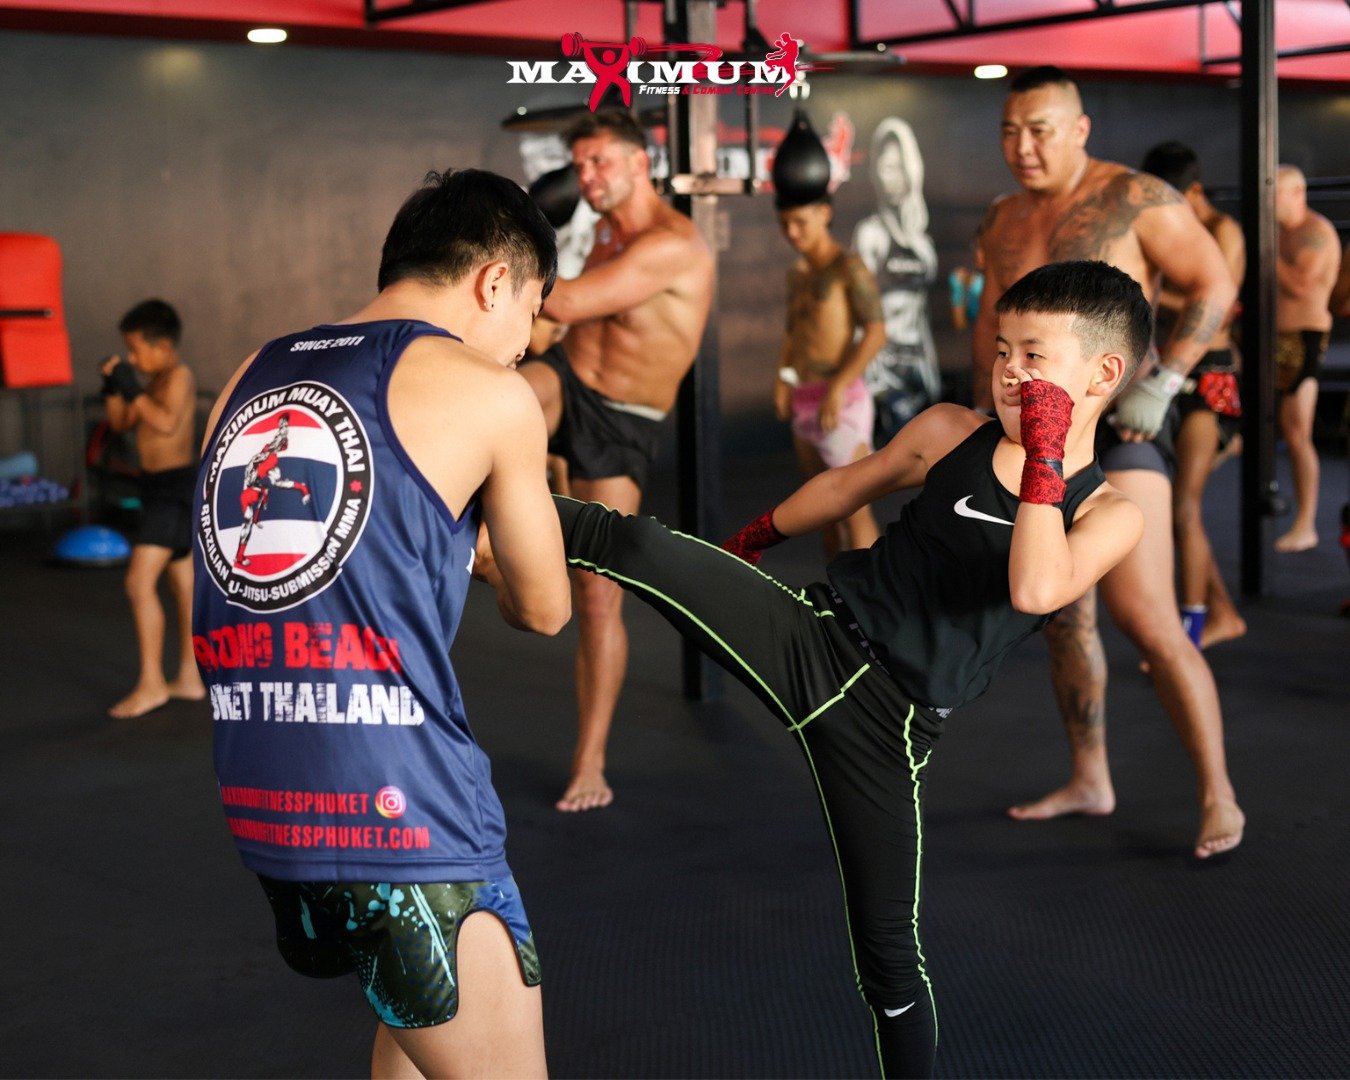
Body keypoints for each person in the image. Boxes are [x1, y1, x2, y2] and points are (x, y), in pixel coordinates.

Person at [545, 260, 1147, 1078]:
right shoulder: (950, 429)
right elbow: (849, 484)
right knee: (640, 543)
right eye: (1003, 350)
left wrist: (1047, 452)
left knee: (891, 964)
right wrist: (754, 539)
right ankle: (461, 507)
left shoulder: (1110, 513)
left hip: (888, 728)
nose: (1011, 371)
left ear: (1104, 374)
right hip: (814, 633)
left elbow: (1037, 586)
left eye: (1035, 357)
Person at [191, 168, 571, 1079]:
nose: (523, 343)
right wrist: (480, 542)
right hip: (408, 818)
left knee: (409, 1031)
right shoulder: (488, 391)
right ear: (493, 282)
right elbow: (545, 608)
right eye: (532, 310)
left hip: (266, 808)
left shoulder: (251, 371)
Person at [974, 66, 1243, 858]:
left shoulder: (1135, 199)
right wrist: (975, 417)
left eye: (1040, 129)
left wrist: (1164, 381)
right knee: (1062, 617)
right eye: (1009, 131)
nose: (1022, 147)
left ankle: (1219, 795)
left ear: (1081, 127)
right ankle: (1090, 777)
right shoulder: (1002, 218)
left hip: (1120, 435)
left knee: (1149, 620)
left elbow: (1214, 284)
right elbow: (993, 331)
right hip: (1033, 444)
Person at [519, 107, 715, 812]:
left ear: (641, 162)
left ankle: (590, 759)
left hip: (623, 422)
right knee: (508, 398)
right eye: (580, 166)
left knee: (600, 596)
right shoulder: (606, 230)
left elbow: (564, 298)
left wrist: (493, 250)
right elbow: (559, 322)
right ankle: (477, 546)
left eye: (600, 162)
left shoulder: (672, 245)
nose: (588, 177)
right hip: (569, 381)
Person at [1139, 141, 1247, 648]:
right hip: (1168, 374)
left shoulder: (1224, 230)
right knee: (1176, 511)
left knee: (1184, 509)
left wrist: (1155, 286)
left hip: (1210, 378)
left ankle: (1193, 629)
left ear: (1195, 191)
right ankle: (1223, 612)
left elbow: (1219, 304)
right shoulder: (1170, 230)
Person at [99, 298, 206, 719]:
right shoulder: (151, 381)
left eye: (136, 349)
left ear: (162, 347)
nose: (131, 357)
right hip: (157, 487)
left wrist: (130, 384)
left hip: (176, 490)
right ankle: (190, 677)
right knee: (182, 585)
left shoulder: (179, 376)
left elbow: (162, 422)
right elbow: (122, 422)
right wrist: (115, 386)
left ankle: (151, 684)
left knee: (138, 583)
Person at [775, 191, 886, 555]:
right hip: (804, 400)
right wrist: (783, 377)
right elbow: (794, 333)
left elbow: (876, 331)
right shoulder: (797, 273)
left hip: (840, 402)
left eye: (800, 222)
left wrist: (838, 386)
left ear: (824, 213)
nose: (792, 232)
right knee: (824, 514)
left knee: (852, 508)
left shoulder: (848, 268)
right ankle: (838, 605)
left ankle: (868, 603)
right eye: (784, 223)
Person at [852, 117, 941, 442]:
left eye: (897, 167)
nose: (890, 177)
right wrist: (863, 380)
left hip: (917, 365)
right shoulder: (870, 233)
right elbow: (859, 315)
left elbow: (922, 316)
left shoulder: (922, 243)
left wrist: (931, 374)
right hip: (882, 369)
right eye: (884, 167)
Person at [1273, 164, 1341, 553]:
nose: (1269, 203)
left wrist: (1265, 247)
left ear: (1297, 193)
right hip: (1274, 337)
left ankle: (1306, 523)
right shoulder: (1281, 232)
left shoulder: (1315, 233)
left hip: (1305, 338)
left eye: (1276, 194)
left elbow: (1300, 286)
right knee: (1268, 425)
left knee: (1298, 432)